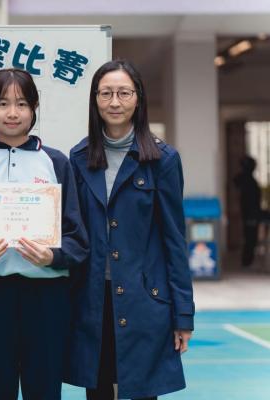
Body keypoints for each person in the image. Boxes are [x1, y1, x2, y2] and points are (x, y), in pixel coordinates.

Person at [0, 68, 89, 399]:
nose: (12, 113)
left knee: (44, 389)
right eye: (3, 104)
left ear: (34, 107)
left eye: (22, 104)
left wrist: (53, 256)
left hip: (47, 296)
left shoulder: (56, 162)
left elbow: (77, 237)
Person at [64, 59, 194, 400]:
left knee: (143, 392)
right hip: (92, 298)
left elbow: (174, 240)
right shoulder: (78, 158)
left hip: (145, 299)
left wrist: (183, 314)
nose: (115, 102)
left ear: (138, 98)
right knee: (98, 391)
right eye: (106, 93)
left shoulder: (163, 160)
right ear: (95, 99)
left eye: (124, 93)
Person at [234, 155, 262, 268]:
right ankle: (247, 261)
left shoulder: (247, 179)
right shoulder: (247, 179)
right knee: (250, 238)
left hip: (250, 213)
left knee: (250, 237)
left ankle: (247, 260)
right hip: (250, 213)